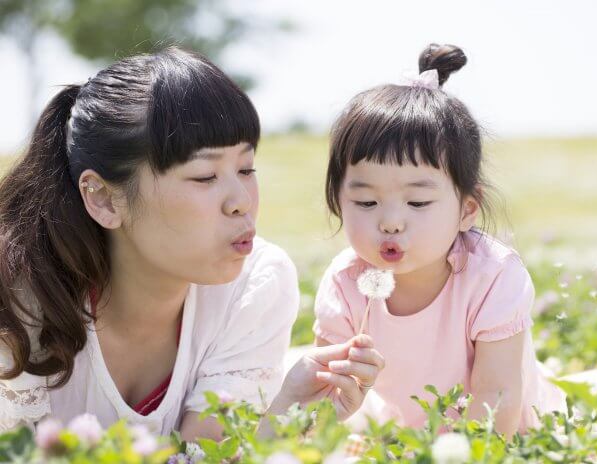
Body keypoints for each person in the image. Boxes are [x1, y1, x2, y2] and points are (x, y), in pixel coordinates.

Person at [0, 47, 384, 440]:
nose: (242, 202)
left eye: (246, 168)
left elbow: (203, 453)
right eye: (204, 176)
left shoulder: (255, 285)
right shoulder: (18, 303)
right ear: (102, 198)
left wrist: (286, 412)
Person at [313, 43, 566, 439]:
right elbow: (322, 395)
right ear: (338, 201)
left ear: (467, 209)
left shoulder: (492, 276)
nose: (391, 222)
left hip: (509, 437)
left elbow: (495, 397)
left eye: (417, 202)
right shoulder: (345, 283)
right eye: (366, 201)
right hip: (406, 437)